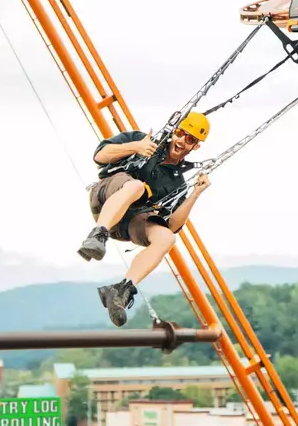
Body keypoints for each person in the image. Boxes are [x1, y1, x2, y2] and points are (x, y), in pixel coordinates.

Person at [78, 112, 212, 327]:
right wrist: (136, 147)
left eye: (189, 139)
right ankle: (97, 236)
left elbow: (173, 225)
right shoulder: (143, 140)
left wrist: (195, 193)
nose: (181, 141)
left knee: (166, 238)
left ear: (195, 146)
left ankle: (122, 290)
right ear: (174, 131)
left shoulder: (176, 182)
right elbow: (100, 155)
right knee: (136, 186)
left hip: (126, 224)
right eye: (180, 133)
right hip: (105, 199)